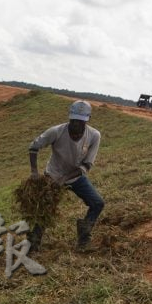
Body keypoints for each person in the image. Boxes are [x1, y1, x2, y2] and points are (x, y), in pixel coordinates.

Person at [27, 99, 104, 251]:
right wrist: (34, 173)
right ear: (69, 117)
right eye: (74, 120)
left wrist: (64, 179)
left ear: (87, 121)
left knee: (97, 203)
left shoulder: (94, 135)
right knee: (45, 209)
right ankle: (33, 244)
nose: (76, 124)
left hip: (76, 177)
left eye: (80, 122)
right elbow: (33, 147)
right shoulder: (56, 131)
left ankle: (84, 236)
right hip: (53, 176)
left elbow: (86, 165)